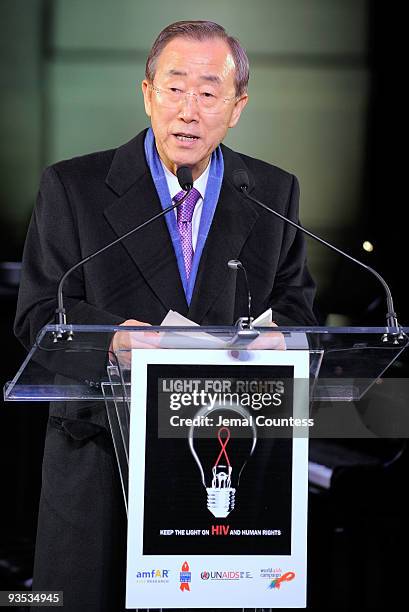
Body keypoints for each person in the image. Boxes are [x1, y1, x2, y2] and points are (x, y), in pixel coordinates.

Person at [14, 20, 316, 612]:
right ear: (147, 92)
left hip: (220, 470)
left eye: (209, 93)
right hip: (100, 466)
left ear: (237, 107)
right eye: (174, 88)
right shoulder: (73, 187)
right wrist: (111, 343)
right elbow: (36, 318)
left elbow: (298, 309)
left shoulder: (272, 193)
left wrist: (285, 339)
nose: (189, 110)